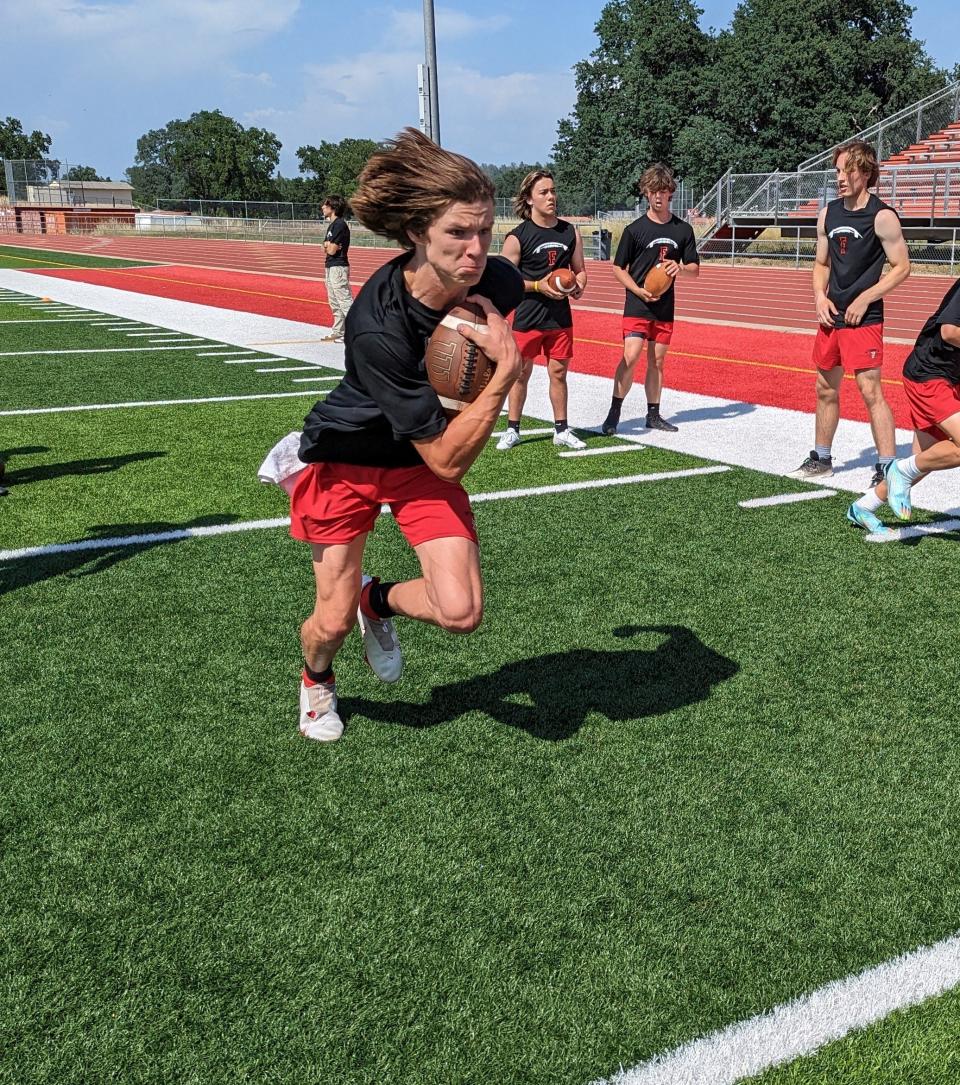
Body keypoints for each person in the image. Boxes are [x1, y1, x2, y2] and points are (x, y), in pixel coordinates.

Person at [289, 128, 524, 741]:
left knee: (461, 611)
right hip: (350, 459)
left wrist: (550, 288)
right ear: (418, 232)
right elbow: (449, 463)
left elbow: (505, 300)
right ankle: (317, 680)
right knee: (331, 621)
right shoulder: (377, 326)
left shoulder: (492, 280)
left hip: (414, 462)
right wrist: (504, 376)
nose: (476, 249)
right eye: (457, 233)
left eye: (484, 230)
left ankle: (379, 601)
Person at [792, 140, 910, 483]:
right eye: (838, 171)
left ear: (865, 172)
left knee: (871, 390)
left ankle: (888, 468)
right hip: (832, 316)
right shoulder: (828, 213)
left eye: (847, 170)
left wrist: (865, 299)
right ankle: (822, 459)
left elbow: (902, 267)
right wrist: (818, 296)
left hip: (864, 319)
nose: (840, 177)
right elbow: (820, 263)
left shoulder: (882, 216)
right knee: (824, 387)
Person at [847, 275, 960, 533]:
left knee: (925, 460)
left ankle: (863, 507)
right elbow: (950, 331)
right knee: (917, 465)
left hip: (950, 376)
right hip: (931, 374)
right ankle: (898, 470)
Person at [600, 163, 699, 436]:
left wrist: (680, 268)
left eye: (664, 191)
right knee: (631, 356)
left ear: (671, 194)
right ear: (645, 192)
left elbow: (695, 269)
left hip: (665, 308)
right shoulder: (634, 230)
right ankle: (614, 411)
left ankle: (653, 414)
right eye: (653, 191)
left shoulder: (683, 230)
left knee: (657, 361)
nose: (658, 196)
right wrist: (636, 289)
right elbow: (619, 268)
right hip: (637, 303)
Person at [496, 170, 588, 451]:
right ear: (529, 199)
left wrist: (577, 286)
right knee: (520, 374)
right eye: (543, 192)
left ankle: (561, 428)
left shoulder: (569, 231)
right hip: (528, 317)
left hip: (560, 318)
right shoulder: (517, 236)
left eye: (552, 191)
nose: (551, 197)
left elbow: (580, 270)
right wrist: (538, 285)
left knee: (558, 373)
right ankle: (513, 428)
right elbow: (504, 280)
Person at [320, 194, 353, 343]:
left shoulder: (340, 224)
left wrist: (328, 245)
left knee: (344, 300)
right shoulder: (332, 225)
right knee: (334, 302)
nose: (322, 207)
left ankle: (357, 332)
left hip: (338, 266)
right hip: (330, 266)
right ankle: (339, 331)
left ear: (332, 208)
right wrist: (328, 245)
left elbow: (332, 250)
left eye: (325, 205)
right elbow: (324, 247)